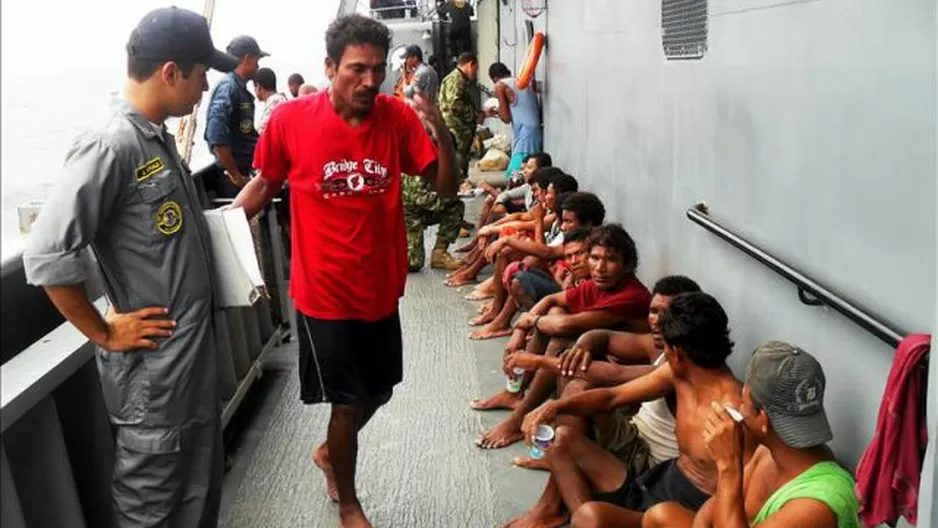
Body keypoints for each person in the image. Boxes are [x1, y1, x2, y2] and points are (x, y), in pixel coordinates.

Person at [229, 14, 458, 528]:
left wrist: (439, 129)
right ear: (330, 66)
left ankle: (330, 454)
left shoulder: (395, 117)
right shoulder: (290, 121)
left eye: (377, 69)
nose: (370, 81)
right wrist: (216, 233)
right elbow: (264, 186)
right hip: (323, 291)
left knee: (379, 390)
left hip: (381, 287)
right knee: (348, 404)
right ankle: (350, 503)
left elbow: (444, 187)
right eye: (357, 69)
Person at [22, 7, 238, 526]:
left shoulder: (158, 141)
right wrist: (102, 331)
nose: (206, 83)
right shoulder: (110, 146)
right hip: (154, 386)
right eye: (200, 71)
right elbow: (47, 254)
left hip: (190, 374)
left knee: (197, 498)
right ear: (170, 72)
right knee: (151, 505)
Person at [523, 292, 751, 528]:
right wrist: (554, 406)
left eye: (666, 347)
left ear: (677, 352)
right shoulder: (679, 373)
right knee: (562, 441)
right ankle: (559, 511)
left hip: (680, 514)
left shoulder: (734, 414)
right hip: (651, 483)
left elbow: (743, 499)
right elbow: (613, 397)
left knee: (589, 517)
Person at [502, 276, 702, 527]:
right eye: (653, 311)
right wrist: (585, 344)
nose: (658, 321)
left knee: (575, 396)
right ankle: (559, 502)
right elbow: (603, 336)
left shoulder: (682, 366)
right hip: (634, 434)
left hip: (649, 466)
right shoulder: (657, 346)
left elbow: (614, 381)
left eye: (669, 314)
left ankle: (556, 503)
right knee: (562, 432)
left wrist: (539, 363)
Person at [642, 342, 862, 528]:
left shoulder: (814, 505)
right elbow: (708, 514)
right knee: (659, 515)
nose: (740, 407)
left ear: (763, 419)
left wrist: (728, 465)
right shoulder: (770, 451)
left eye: (744, 401)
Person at [474, 224, 654, 450]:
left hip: (629, 380)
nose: (600, 268)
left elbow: (566, 325)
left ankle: (520, 416)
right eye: (595, 258)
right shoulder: (599, 284)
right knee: (553, 315)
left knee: (558, 334)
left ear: (626, 265)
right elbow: (552, 301)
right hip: (604, 358)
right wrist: (519, 331)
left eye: (611, 260)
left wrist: (531, 322)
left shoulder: (631, 295)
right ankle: (515, 393)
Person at [205, 35, 268, 198]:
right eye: (256, 60)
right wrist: (235, 176)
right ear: (247, 59)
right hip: (233, 178)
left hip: (246, 170)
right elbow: (216, 133)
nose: (258, 65)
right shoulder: (228, 88)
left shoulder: (240, 90)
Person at [489, 62, 542, 179]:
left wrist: (496, 111)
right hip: (534, 132)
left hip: (525, 136)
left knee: (514, 177)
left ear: (495, 78)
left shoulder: (500, 85)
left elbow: (506, 118)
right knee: (528, 176)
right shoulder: (521, 81)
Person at [439, 52, 482, 181]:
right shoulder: (456, 79)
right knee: (459, 157)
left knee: (460, 156)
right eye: (476, 69)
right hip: (457, 128)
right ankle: (459, 183)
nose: (475, 73)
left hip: (458, 127)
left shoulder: (456, 78)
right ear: (470, 64)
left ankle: (459, 181)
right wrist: (474, 114)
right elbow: (454, 105)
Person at [254, 67, 288, 133]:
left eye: (254, 87)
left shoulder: (274, 102)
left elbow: (263, 132)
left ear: (258, 86)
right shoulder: (280, 100)